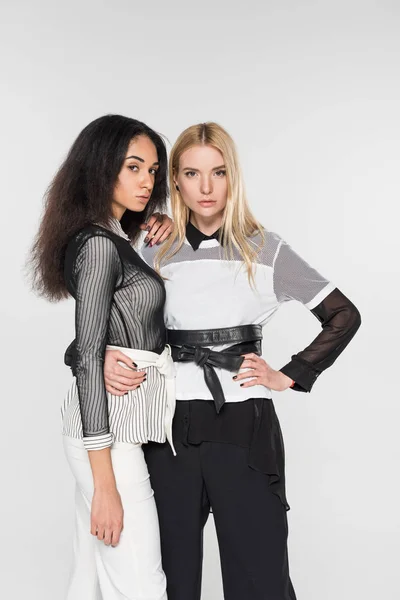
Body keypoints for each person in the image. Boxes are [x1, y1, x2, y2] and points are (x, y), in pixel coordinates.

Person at [104, 122, 362, 600]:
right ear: (175, 181)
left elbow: (344, 315)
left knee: (258, 576)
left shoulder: (266, 248)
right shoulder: (150, 244)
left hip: (243, 423)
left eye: (218, 172)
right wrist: (102, 358)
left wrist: (290, 374)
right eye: (191, 173)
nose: (206, 187)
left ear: (232, 177)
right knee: (170, 577)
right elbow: (107, 322)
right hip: (167, 425)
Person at [30, 114, 176, 600]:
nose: (146, 181)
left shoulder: (113, 238)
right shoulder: (97, 244)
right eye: (133, 167)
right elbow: (90, 354)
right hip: (105, 435)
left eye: (153, 171)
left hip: (116, 426)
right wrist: (105, 485)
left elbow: (109, 328)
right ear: (100, 168)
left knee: (90, 576)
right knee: (141, 583)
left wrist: (157, 227)